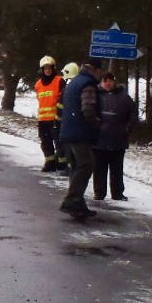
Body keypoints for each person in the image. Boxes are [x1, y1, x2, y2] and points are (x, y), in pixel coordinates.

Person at [57, 61, 101, 218]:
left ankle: (78, 203)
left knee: (76, 166)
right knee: (86, 164)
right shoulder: (88, 84)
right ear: (95, 70)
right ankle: (72, 199)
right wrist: (97, 124)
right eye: (99, 71)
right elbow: (88, 109)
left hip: (68, 131)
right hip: (79, 133)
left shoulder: (74, 81)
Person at [92, 69, 138, 201]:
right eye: (105, 81)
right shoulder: (96, 95)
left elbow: (133, 114)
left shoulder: (124, 97)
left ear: (114, 82)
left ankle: (117, 193)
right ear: (101, 82)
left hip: (118, 140)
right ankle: (99, 192)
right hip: (99, 141)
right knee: (99, 169)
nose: (108, 83)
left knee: (117, 170)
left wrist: (128, 128)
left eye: (110, 80)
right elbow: (89, 113)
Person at [34, 55, 65, 172]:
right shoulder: (38, 84)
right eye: (45, 68)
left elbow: (63, 99)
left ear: (53, 68)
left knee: (59, 142)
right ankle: (50, 162)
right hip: (43, 120)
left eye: (49, 68)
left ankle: (62, 164)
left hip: (56, 119)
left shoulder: (59, 81)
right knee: (45, 143)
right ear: (42, 70)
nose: (47, 70)